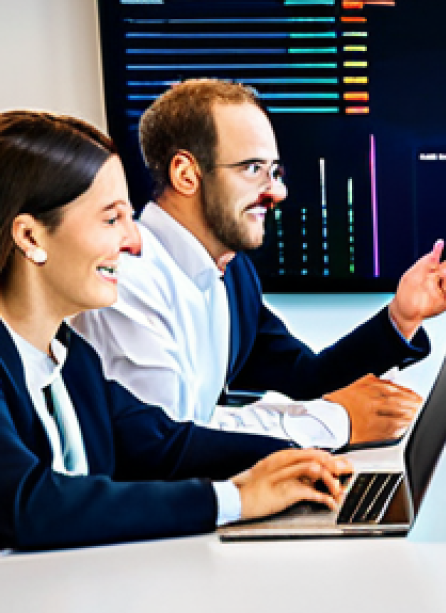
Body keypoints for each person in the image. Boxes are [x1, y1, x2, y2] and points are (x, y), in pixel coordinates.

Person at [74, 79, 446, 450]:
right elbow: (165, 442)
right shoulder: (125, 279)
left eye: (274, 171)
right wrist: (335, 423)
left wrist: (402, 316)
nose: (277, 192)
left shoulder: (231, 273)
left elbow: (304, 378)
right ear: (186, 174)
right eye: (253, 169)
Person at [0, 111, 351, 551]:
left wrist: (297, 462)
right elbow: (29, 505)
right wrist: (235, 499)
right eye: (111, 219)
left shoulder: (70, 357)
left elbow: (161, 442)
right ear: (30, 238)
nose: (134, 242)